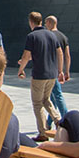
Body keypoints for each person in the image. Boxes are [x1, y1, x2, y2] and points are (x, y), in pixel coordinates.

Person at [17, 11, 63, 141]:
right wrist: (60, 70)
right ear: (41, 21)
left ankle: (43, 133)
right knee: (46, 99)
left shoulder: (32, 36)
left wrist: (21, 69)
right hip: (52, 74)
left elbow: (26, 55)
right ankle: (57, 119)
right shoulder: (52, 35)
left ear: (31, 22)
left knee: (37, 103)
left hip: (39, 74)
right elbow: (60, 53)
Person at [44, 15, 71, 129]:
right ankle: (49, 122)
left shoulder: (49, 36)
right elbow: (67, 55)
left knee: (57, 96)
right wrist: (67, 71)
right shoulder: (63, 37)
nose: (45, 25)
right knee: (53, 97)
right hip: (58, 71)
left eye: (46, 23)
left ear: (50, 23)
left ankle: (66, 120)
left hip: (51, 70)